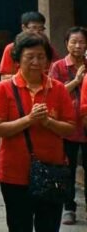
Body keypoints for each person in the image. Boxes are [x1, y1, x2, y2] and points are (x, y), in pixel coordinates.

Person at [0, 31, 75, 232]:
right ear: (18, 59)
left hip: (51, 171)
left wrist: (47, 122)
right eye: (30, 57)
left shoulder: (58, 89)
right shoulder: (4, 88)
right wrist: (29, 119)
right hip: (14, 173)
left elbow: (70, 127)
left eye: (41, 56)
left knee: (49, 226)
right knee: (19, 225)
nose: (36, 62)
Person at [57, 27, 87, 223]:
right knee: (67, 169)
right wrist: (76, 81)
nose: (77, 45)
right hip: (67, 126)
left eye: (82, 42)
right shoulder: (58, 67)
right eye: (73, 41)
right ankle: (69, 207)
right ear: (66, 43)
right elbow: (55, 94)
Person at [0, 11, 47, 81]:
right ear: (24, 28)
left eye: (41, 29)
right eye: (34, 28)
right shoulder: (11, 48)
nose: (37, 32)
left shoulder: (47, 47)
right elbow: (4, 78)